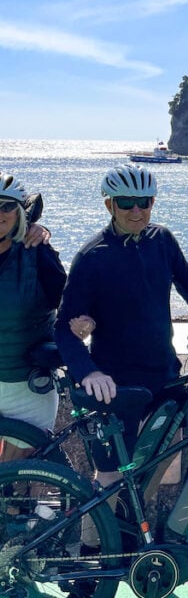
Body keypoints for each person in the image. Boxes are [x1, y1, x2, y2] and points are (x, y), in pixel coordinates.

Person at [55, 164, 188, 491]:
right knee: (109, 478)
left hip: (164, 376)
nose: (136, 211)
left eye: (144, 202)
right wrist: (88, 372)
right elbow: (63, 328)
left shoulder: (162, 240)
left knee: (163, 469)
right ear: (109, 205)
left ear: (153, 202)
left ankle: (139, 524)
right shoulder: (92, 257)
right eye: (126, 202)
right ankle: (100, 529)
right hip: (116, 385)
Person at [0, 172, 66, 459]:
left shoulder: (38, 252)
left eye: (6, 206)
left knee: (14, 478)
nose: (0, 213)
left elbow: (71, 303)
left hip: (26, 386)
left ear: (20, 211)